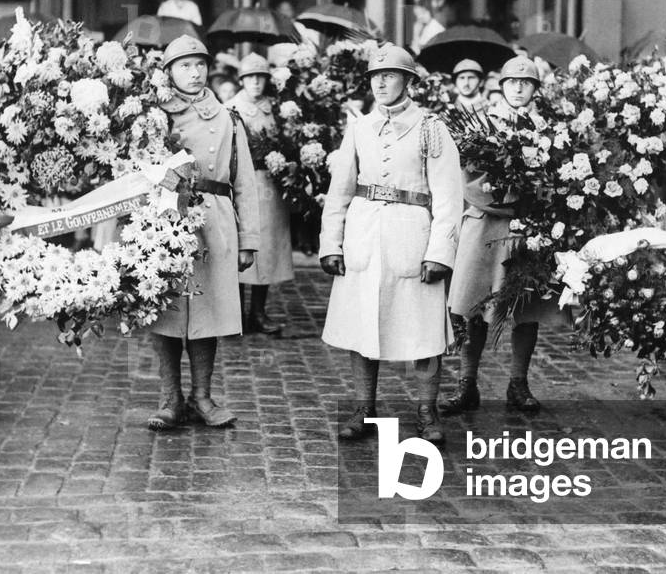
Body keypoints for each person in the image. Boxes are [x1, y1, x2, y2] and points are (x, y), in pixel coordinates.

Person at [319, 46, 462, 445]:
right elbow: (340, 190)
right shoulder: (359, 127)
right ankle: (364, 407)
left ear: (409, 81)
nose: (381, 83)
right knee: (362, 324)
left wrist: (440, 252)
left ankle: (426, 409)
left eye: (391, 75)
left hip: (411, 237)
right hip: (364, 236)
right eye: (374, 76)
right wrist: (332, 242)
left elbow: (449, 196)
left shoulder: (430, 127)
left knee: (424, 329)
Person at [148, 35, 260, 431]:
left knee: (208, 312)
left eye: (199, 64)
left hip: (214, 219)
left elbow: (244, 180)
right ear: (169, 72)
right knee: (165, 309)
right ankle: (169, 398)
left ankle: (202, 396)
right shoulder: (153, 116)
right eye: (184, 65)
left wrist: (249, 239)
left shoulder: (228, 118)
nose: (194, 73)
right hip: (164, 219)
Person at [441, 56, 564, 417]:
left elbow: (557, 180)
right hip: (485, 225)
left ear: (536, 89)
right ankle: (467, 384)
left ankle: (518, 383)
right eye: (512, 82)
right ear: (501, 86)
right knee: (474, 307)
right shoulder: (482, 124)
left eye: (526, 83)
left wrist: (538, 198)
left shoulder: (546, 130)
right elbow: (469, 181)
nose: (519, 89)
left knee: (526, 309)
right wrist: (513, 200)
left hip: (529, 231)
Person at [227, 53, 293, 336]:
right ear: (241, 80)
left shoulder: (275, 109)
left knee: (266, 248)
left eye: (261, 77)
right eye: (250, 77)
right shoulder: (231, 107)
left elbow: (286, 141)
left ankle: (258, 313)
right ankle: (236, 315)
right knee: (242, 245)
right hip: (244, 183)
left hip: (270, 185)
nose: (256, 82)